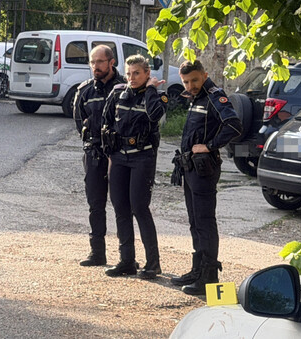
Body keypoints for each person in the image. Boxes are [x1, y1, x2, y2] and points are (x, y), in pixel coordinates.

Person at [173, 59, 242, 296]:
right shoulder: (196, 97)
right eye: (185, 81)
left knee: (204, 222)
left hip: (204, 169)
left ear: (205, 75)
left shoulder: (214, 95)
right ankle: (197, 269)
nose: (190, 85)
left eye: (194, 80)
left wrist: (210, 146)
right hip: (190, 167)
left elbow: (233, 125)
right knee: (195, 222)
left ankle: (209, 275)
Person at [101, 54, 166, 280]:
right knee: (120, 208)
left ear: (147, 73)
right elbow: (106, 119)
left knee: (139, 208)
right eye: (129, 73)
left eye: (137, 73)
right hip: (119, 157)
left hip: (142, 158)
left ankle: (153, 263)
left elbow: (155, 114)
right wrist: (109, 150)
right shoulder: (118, 92)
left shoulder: (157, 96)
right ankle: (126, 261)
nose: (132, 78)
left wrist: (150, 90)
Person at [71, 44, 125, 267]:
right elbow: (78, 120)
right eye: (92, 62)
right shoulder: (85, 90)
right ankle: (97, 253)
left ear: (112, 62)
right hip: (93, 153)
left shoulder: (125, 88)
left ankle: (126, 257)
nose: (95, 66)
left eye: (100, 62)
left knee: (122, 206)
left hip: (119, 156)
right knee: (95, 204)